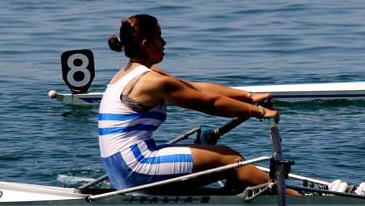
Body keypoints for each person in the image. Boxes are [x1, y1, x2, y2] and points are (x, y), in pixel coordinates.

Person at [98, 14, 297, 195]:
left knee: (226, 158)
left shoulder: (127, 74)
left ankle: (237, 196)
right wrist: (261, 112)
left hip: (119, 170)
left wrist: (248, 96)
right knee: (231, 160)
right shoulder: (152, 81)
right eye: (160, 37)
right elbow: (210, 104)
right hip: (135, 168)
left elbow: (198, 88)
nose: (164, 42)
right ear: (146, 45)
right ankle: (294, 197)